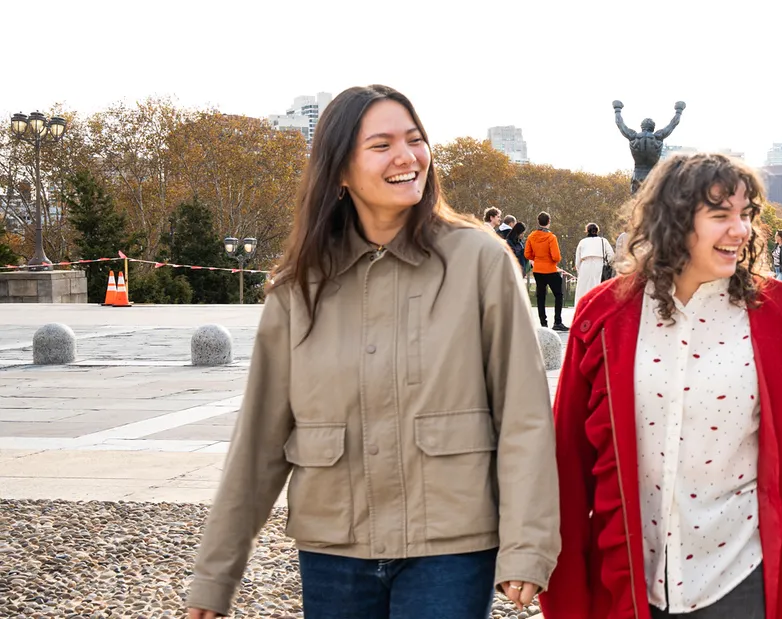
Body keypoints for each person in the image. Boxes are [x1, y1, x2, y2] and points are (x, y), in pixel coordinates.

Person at [183, 85, 560, 619]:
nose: (407, 157)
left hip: (451, 546)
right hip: (335, 548)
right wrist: (213, 575)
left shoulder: (481, 261)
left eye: (415, 140)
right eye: (381, 145)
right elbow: (257, 440)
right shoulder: (299, 284)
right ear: (339, 170)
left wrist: (528, 545)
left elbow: (523, 415)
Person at [541, 152, 782, 619]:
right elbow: (567, 468)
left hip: (742, 581)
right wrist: (564, 600)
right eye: (721, 214)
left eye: (746, 215)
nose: (741, 229)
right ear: (673, 220)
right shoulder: (601, 316)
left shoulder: (781, 324)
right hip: (628, 580)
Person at [525, 212, 568, 331]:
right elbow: (556, 257)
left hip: (538, 269)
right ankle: (557, 321)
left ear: (538, 221)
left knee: (540, 296)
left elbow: (527, 254)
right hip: (550, 269)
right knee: (558, 294)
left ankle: (543, 323)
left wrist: (537, 258)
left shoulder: (531, 236)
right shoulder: (551, 237)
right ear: (549, 221)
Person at [573, 222, 614, 305]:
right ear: (597, 231)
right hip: (599, 264)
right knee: (597, 286)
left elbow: (578, 259)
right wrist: (607, 263)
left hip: (585, 265)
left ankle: (582, 306)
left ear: (587, 231)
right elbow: (611, 255)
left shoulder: (582, 242)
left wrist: (579, 270)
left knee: (583, 289)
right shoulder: (603, 241)